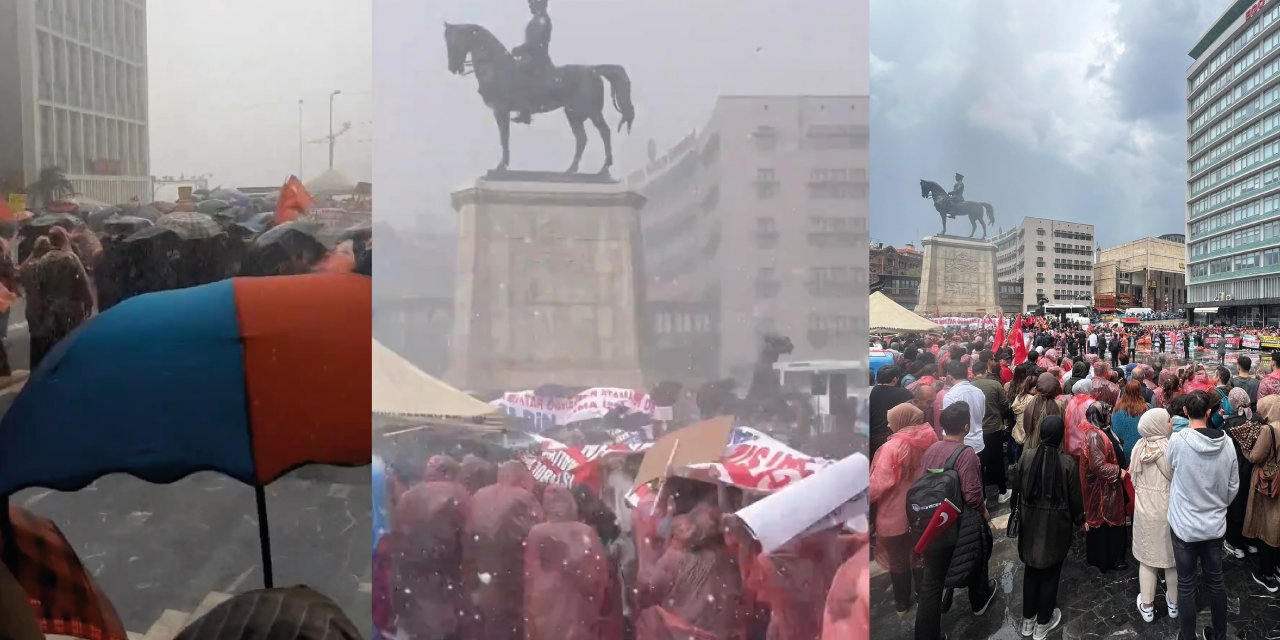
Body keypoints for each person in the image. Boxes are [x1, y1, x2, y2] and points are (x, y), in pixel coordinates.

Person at [914, 402, 996, 640]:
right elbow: (971, 495)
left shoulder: (932, 449)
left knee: (932, 582)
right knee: (976, 557)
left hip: (932, 522)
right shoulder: (965, 453)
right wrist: (983, 512)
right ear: (966, 426)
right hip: (960, 520)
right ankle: (979, 600)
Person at [1167, 391, 1239, 640]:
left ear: (1185, 412)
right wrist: (1218, 506)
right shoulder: (1227, 443)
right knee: (1215, 581)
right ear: (1209, 412)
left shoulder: (1178, 440)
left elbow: (1170, 466)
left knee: (1186, 585)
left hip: (1184, 526)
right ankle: (1219, 635)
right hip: (1214, 526)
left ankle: (1188, 636)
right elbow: (1233, 486)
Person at [1014, 415, 1081, 639]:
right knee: (1051, 573)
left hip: (1030, 523)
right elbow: (1075, 499)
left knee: (1031, 571)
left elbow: (1017, 489)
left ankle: (1028, 621)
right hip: (1056, 528)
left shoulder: (1026, 456)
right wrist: (1081, 520)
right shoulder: (1067, 463)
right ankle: (1043, 623)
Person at [464, 461, 545, 640]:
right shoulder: (525, 498)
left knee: (488, 622)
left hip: (482, 575)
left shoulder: (479, 495)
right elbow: (539, 538)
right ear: (521, 476)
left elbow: (468, 534)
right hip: (512, 576)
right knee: (510, 625)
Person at [869, 403, 937, 612]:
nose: (889, 424)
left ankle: (901, 602)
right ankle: (921, 596)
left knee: (898, 560)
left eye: (891, 420)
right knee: (919, 556)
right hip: (922, 511)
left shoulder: (891, 448)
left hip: (894, 516)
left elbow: (877, 485)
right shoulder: (930, 439)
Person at [524, 485, 610, 640]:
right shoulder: (585, 532)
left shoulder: (536, 532)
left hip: (545, 607)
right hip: (578, 606)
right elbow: (599, 576)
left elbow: (530, 576)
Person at [1130, 408, 1177, 623]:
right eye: (1167, 420)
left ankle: (1147, 606)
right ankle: (1174, 604)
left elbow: (1133, 478)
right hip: (1167, 511)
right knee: (1171, 561)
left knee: (1147, 560)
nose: (1171, 423)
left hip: (1144, 510)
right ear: (1157, 424)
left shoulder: (1138, 448)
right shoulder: (1170, 448)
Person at [1081, 402, 1129, 572]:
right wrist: (1118, 472)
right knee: (1104, 524)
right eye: (1107, 413)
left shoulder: (1101, 431)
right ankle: (1108, 560)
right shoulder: (1095, 436)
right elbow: (1098, 466)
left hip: (1105, 488)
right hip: (1101, 490)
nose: (1110, 416)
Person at [1245, 396, 1280, 592]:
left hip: (1268, 482)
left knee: (1267, 528)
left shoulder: (1269, 429)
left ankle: (1266, 574)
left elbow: (1255, 456)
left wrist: (1245, 447)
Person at [970, 359, 1012, 501]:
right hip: (994, 429)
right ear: (986, 371)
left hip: (975, 432)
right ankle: (1002, 492)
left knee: (979, 465)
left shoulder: (968, 388)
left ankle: (984, 496)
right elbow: (1005, 405)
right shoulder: (994, 385)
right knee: (997, 460)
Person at [510, 0, 555, 124]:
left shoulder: (542, 20)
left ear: (539, 4)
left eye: (531, 4)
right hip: (531, 57)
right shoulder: (537, 19)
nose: (529, 6)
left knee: (519, 75)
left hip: (538, 59)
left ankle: (525, 111)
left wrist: (521, 49)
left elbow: (536, 43)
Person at [941, 360, 987, 456]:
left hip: (960, 447)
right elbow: (981, 416)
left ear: (949, 378)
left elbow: (949, 424)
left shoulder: (950, 396)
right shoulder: (979, 392)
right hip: (978, 443)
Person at [869, 365, 914, 461]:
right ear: (895, 379)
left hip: (871, 439)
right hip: (895, 441)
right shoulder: (905, 394)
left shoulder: (870, 392)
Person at [1112, 381, 1149, 463]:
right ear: (1139, 391)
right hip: (1142, 449)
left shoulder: (1117, 409)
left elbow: (1115, 431)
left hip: (1123, 449)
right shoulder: (1146, 408)